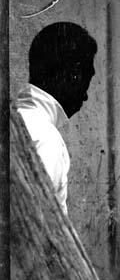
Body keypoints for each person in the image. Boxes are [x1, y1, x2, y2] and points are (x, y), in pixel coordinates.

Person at [15, 22, 97, 214]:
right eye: (87, 80)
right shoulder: (45, 139)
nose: (85, 96)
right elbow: (32, 236)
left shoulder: (16, 120)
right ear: (73, 75)